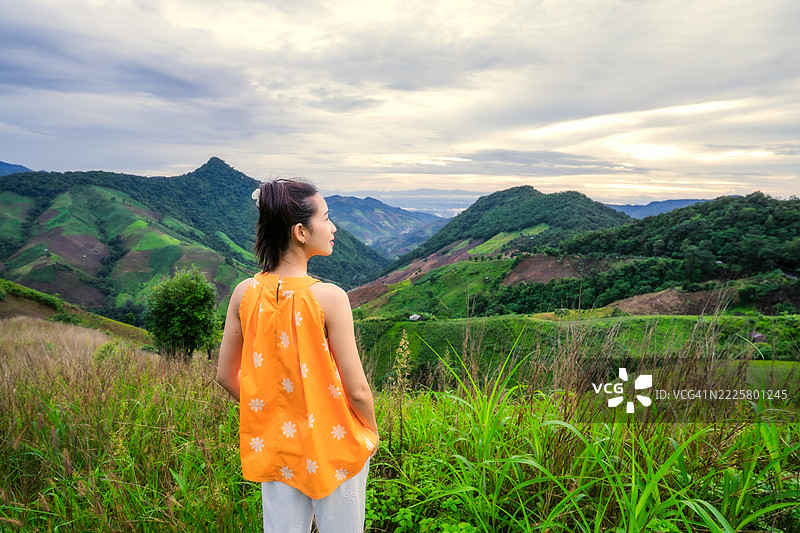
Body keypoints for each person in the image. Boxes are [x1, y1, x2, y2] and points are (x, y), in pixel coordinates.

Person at [216, 178, 379, 532]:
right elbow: (358, 391)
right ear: (301, 232)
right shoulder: (330, 298)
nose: (333, 227)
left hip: (278, 448)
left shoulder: (243, 294)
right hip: (333, 444)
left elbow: (225, 375)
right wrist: (372, 433)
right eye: (326, 218)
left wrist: (273, 412)